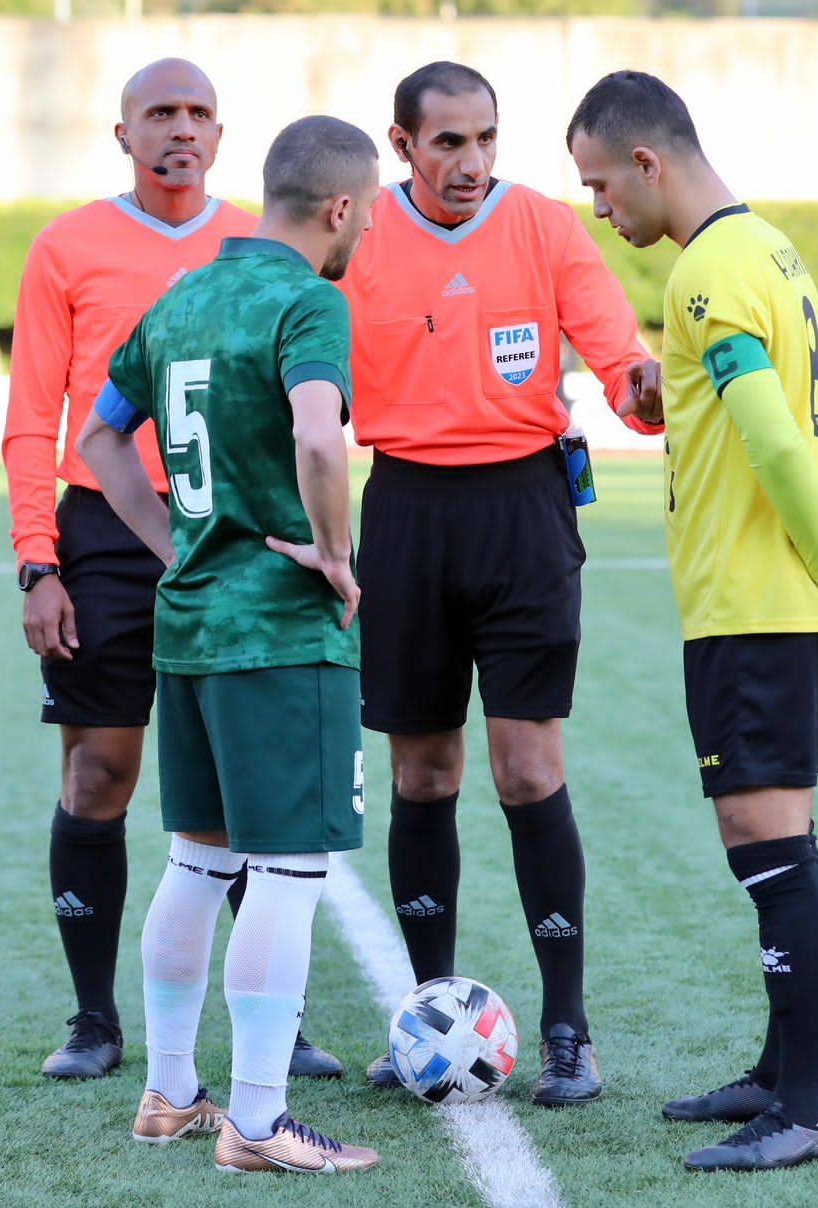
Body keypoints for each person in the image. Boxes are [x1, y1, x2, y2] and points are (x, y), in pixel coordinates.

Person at [567, 71, 818, 1171]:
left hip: (754, 603)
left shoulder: (706, 272)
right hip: (782, 594)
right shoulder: (770, 249)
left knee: (769, 850)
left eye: (602, 185)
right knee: (774, 842)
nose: (602, 213)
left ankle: (803, 1107)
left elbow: (769, 429)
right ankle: (777, 1070)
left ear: (648, 162)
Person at [4, 59, 341, 1079]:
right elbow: (33, 415)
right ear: (123, 135)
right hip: (107, 535)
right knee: (100, 769)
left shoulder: (260, 247)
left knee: (250, 785)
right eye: (160, 114)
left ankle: (268, 1021)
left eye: (198, 114)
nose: (179, 131)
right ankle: (95, 1018)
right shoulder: (66, 246)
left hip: (238, 532)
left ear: (222, 135)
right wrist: (36, 561)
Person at [343, 61, 663, 1107]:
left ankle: (567, 1026)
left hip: (524, 515)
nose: (471, 161)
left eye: (485, 138)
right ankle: (424, 1011)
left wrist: (647, 385)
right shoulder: (359, 239)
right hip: (403, 515)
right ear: (401, 146)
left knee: (527, 769)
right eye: (447, 142)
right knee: (422, 774)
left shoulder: (544, 229)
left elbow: (620, 360)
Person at [77, 114, 382, 1173]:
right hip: (278, 634)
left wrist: (175, 541)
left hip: (191, 624)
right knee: (286, 870)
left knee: (198, 860)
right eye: (367, 214)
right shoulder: (308, 300)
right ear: (340, 206)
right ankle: (255, 1117)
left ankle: (167, 1091)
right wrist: (336, 554)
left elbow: (98, 437)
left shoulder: (180, 295)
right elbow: (316, 432)